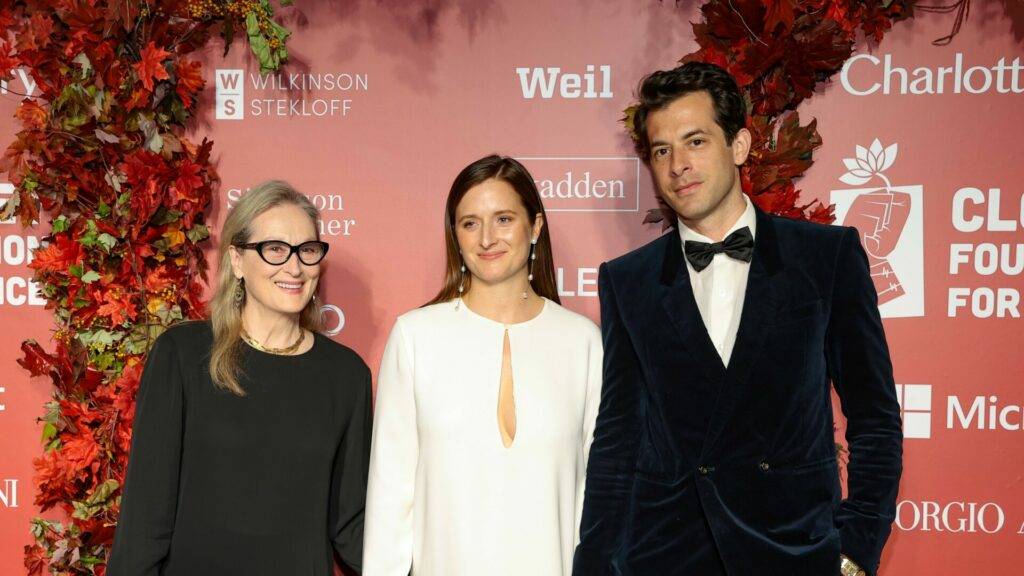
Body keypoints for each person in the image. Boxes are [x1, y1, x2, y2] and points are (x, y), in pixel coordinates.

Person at [573, 62, 903, 576]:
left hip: (793, 552)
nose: (678, 164)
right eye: (662, 150)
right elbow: (618, 438)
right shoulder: (627, 280)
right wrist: (594, 564)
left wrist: (856, 548)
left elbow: (875, 415)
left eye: (696, 141)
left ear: (740, 146)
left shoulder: (824, 257)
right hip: (667, 556)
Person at [108, 181, 371, 576]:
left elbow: (351, 524)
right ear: (237, 260)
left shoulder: (346, 376)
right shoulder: (182, 355)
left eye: (308, 250)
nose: (295, 267)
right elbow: (146, 517)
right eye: (275, 249)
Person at [363, 155, 603, 576]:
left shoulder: (582, 341)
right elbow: (390, 498)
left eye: (504, 219)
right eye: (470, 223)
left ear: (536, 226)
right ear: (455, 235)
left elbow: (596, 497)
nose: (487, 238)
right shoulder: (416, 337)